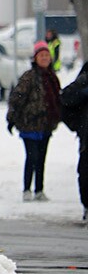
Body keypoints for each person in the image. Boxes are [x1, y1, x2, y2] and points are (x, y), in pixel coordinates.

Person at [6, 40, 61, 202]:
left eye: (47, 56)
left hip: (46, 125)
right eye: (41, 55)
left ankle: (39, 189)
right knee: (32, 157)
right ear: (35, 58)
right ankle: (27, 189)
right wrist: (12, 118)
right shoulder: (29, 77)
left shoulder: (52, 78)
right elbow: (17, 98)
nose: (44, 58)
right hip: (29, 124)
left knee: (42, 158)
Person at [61, 62, 88, 220]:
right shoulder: (85, 78)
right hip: (87, 140)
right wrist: (77, 125)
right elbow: (65, 99)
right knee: (85, 175)